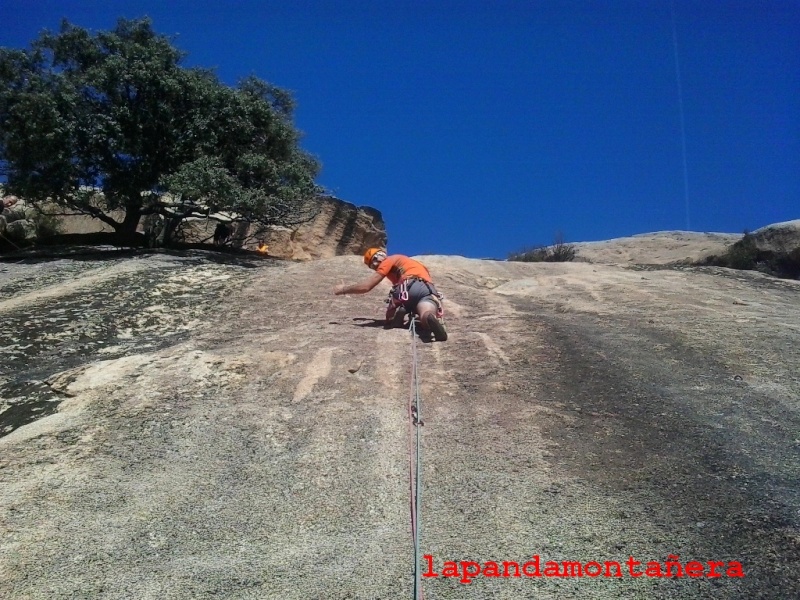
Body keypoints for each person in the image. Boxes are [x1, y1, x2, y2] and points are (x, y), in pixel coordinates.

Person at [333, 248, 448, 341]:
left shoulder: (389, 260)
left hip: (405, 288)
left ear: (383, 255)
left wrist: (343, 289)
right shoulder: (413, 264)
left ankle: (399, 311)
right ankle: (428, 317)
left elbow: (366, 287)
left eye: (375, 260)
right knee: (426, 309)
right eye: (373, 266)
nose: (376, 264)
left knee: (396, 309)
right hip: (425, 288)